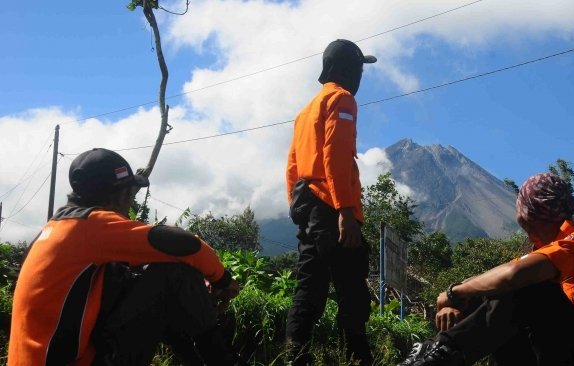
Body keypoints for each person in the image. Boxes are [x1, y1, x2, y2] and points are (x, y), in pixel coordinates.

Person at [8, 148, 244, 366]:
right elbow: (188, 245)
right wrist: (222, 281)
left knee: (156, 273)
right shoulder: (91, 227)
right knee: (175, 275)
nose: (131, 200)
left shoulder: (53, 230)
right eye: (131, 192)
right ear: (117, 195)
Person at [398, 173, 574, 366]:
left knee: (525, 288)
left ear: (528, 213)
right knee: (501, 292)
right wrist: (456, 295)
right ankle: (437, 352)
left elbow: (513, 276)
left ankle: (440, 354)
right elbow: (496, 276)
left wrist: (453, 294)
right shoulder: (548, 251)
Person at [285, 39, 377, 366]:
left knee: (310, 286)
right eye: (359, 69)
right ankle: (358, 358)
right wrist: (344, 211)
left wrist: (299, 212)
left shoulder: (305, 111)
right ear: (347, 69)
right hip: (332, 207)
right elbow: (335, 157)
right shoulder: (342, 99)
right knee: (352, 288)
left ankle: (295, 354)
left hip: (308, 205)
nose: (361, 76)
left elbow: (293, 168)